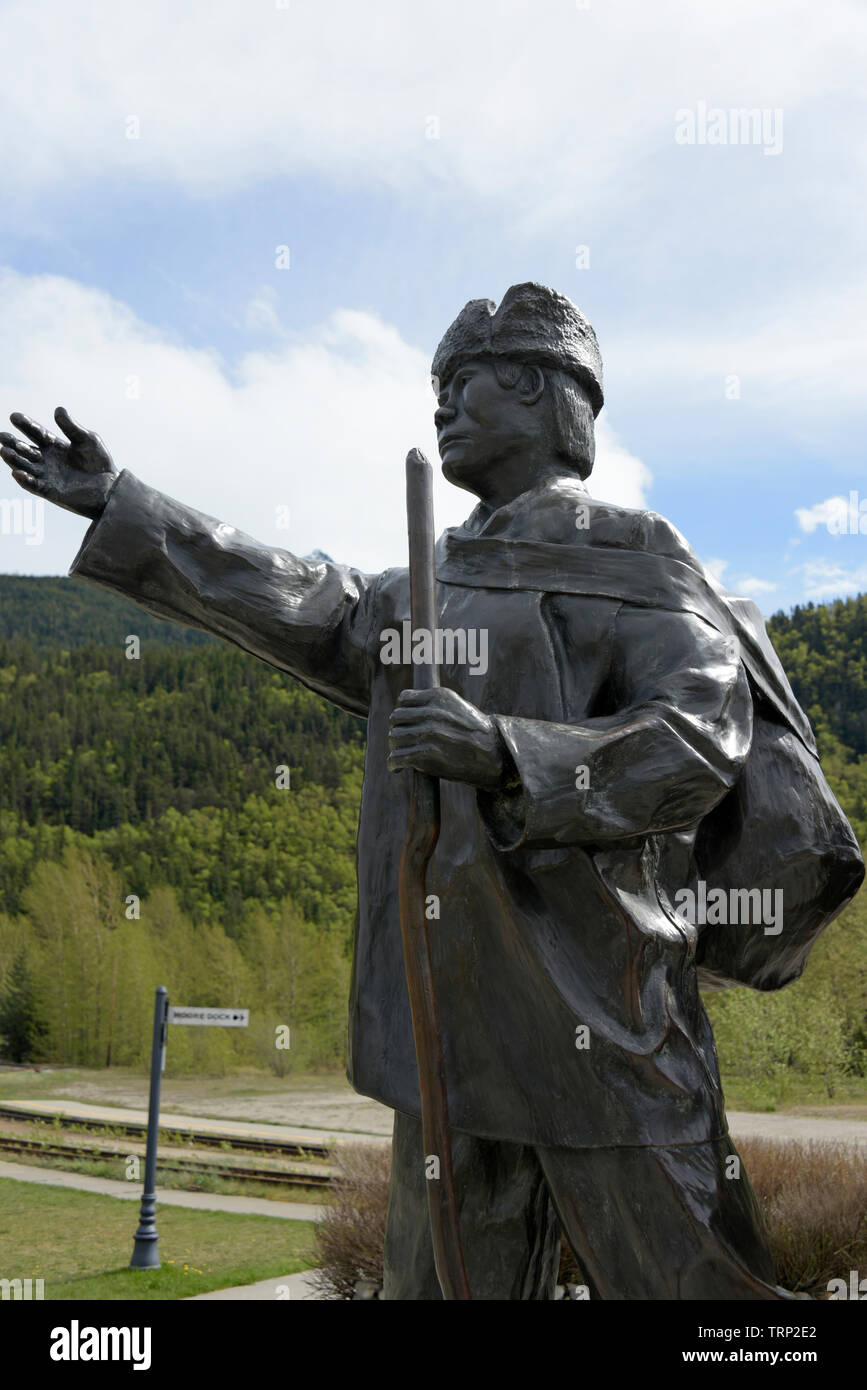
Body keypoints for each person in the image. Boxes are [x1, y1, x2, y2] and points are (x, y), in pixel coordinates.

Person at [0, 283, 813, 1299]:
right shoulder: (424, 585)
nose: (441, 408)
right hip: (443, 1012)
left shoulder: (634, 564)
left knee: (699, 1295)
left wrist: (507, 752)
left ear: (542, 396)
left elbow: (698, 736)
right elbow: (293, 592)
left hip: (603, 1013)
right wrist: (126, 504)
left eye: (463, 384)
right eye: (437, 387)